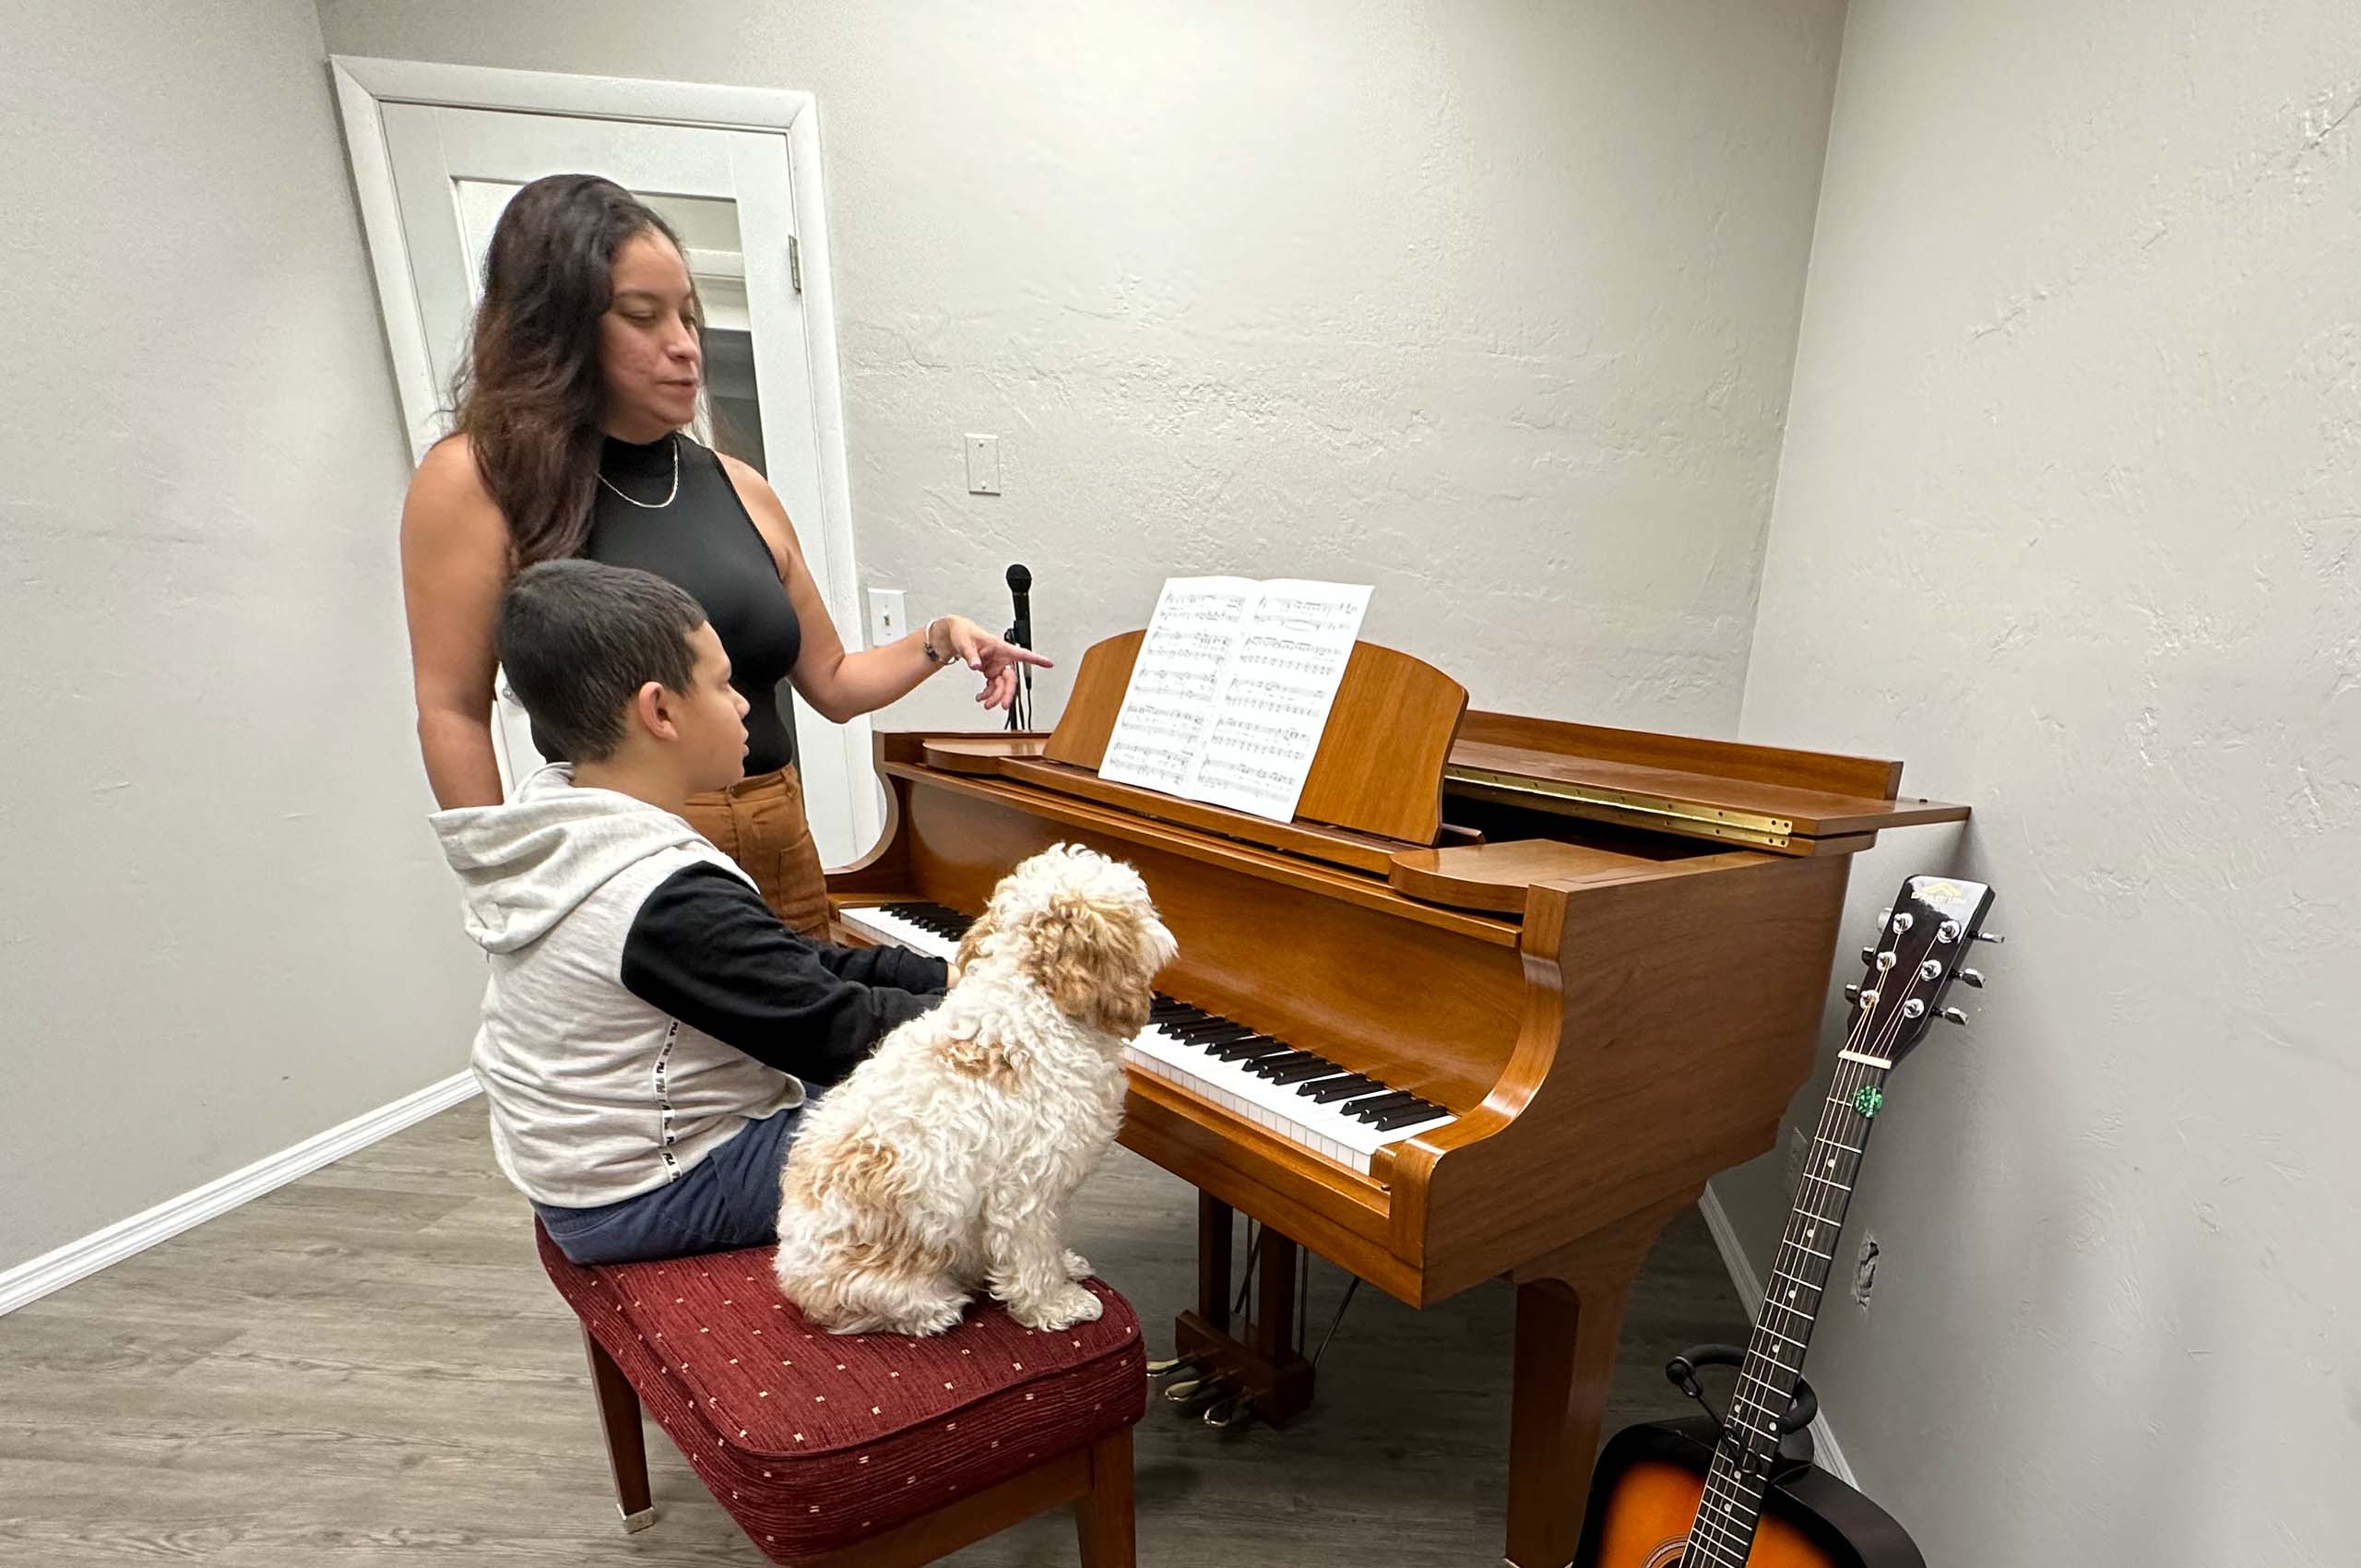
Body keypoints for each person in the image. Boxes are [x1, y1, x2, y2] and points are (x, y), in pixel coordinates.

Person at [398, 172, 1047, 936]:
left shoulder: (741, 486)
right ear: (557, 329)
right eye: (643, 317)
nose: (684, 346)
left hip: (781, 840)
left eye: (688, 315)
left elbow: (835, 685)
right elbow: (452, 709)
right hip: (631, 866)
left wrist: (940, 638)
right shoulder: (475, 479)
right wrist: (509, 891)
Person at [432, 558, 952, 1266]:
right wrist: (1011, 1012)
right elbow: (834, 1031)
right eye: (723, 684)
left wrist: (943, 976)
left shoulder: (564, 820)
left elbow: (791, 964)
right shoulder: (658, 892)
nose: (743, 705)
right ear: (659, 711)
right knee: (958, 1116)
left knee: (905, 1071)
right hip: (655, 1191)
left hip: (584, 1165)